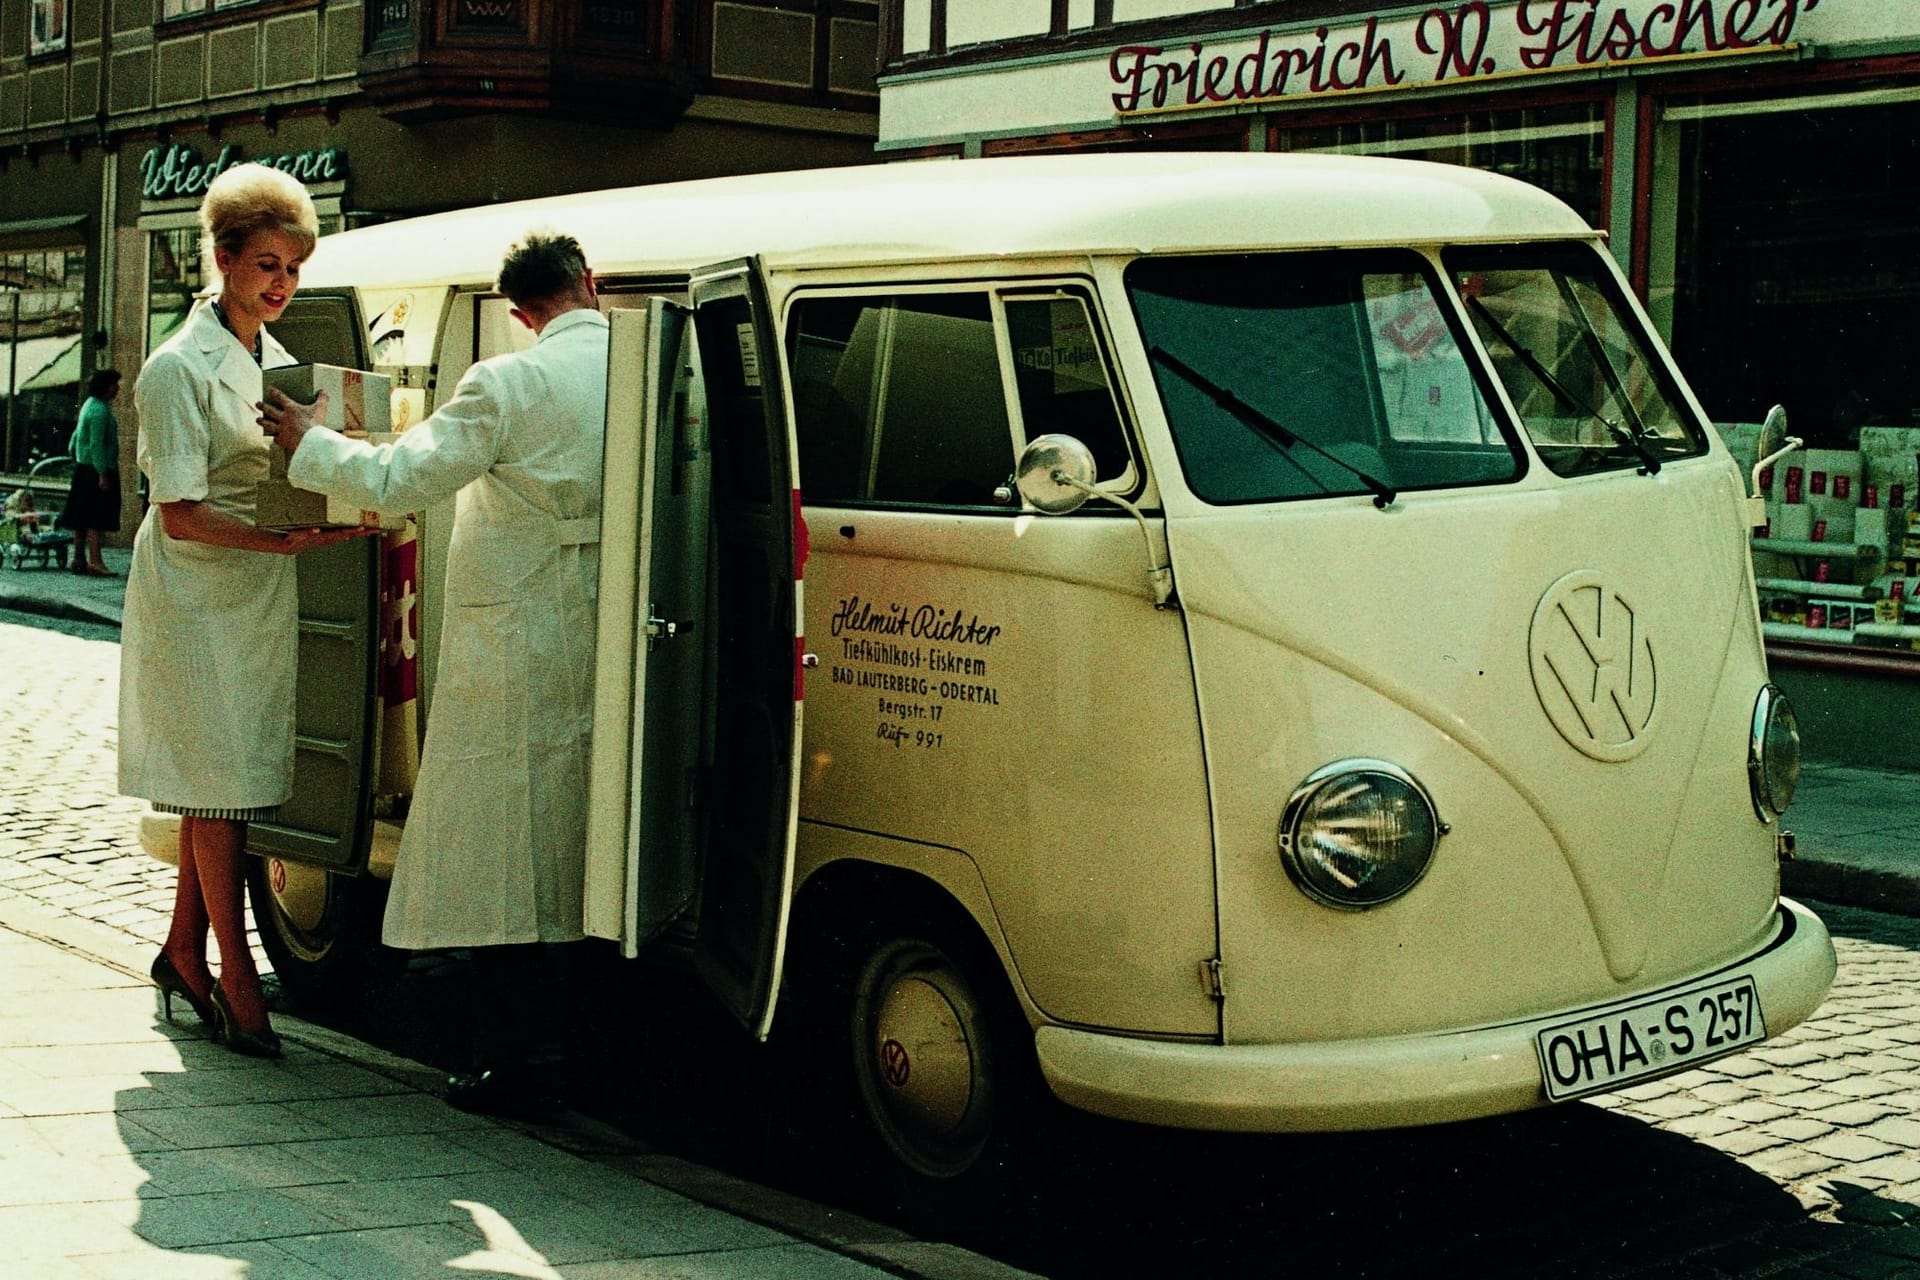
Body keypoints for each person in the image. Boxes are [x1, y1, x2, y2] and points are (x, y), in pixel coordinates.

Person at [259, 230, 608, 1116]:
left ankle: (527, 1058)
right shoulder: (645, 364)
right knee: (586, 836)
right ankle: (581, 1038)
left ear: (521, 312)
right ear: (588, 284)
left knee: (505, 849)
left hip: (520, 635)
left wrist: (309, 440)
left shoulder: (508, 381)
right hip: (609, 629)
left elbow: (403, 476)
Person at [121, 162, 372, 1060]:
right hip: (196, 587)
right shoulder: (172, 369)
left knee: (219, 781)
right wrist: (283, 545)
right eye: (267, 265)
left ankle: (185, 951)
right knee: (218, 785)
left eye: (294, 268)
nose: (282, 284)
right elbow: (179, 510)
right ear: (222, 259)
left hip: (256, 583)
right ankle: (234, 975)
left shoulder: (275, 360)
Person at [58, 368, 123, 576]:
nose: (118, 388)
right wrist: (102, 473)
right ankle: (95, 561)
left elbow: (75, 438)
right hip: (96, 469)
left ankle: (78, 558)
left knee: (81, 517)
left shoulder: (89, 406)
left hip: (83, 467)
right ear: (107, 387)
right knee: (95, 516)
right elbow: (96, 444)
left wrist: (76, 456)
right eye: (114, 384)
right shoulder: (100, 411)